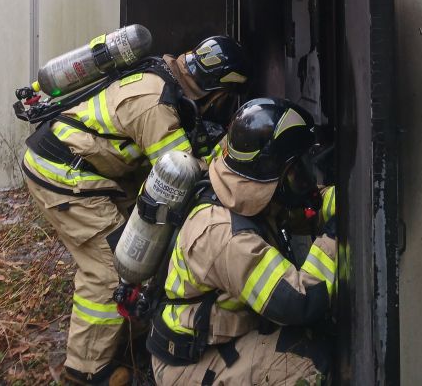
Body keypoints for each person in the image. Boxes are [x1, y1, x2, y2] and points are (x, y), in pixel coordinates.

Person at [23, 35, 250, 386]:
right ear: (216, 88)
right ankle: (85, 369)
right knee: (108, 267)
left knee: (139, 248)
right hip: (63, 173)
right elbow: (182, 174)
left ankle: (127, 326)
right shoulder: (157, 106)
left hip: (90, 170)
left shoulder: (163, 71)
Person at [148, 97, 337, 386]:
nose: (304, 178)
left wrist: (345, 201)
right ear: (273, 173)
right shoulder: (225, 236)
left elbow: (300, 210)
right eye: (296, 171)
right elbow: (299, 303)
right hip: (189, 364)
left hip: (217, 338)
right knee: (305, 363)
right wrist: (333, 239)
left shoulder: (239, 186)